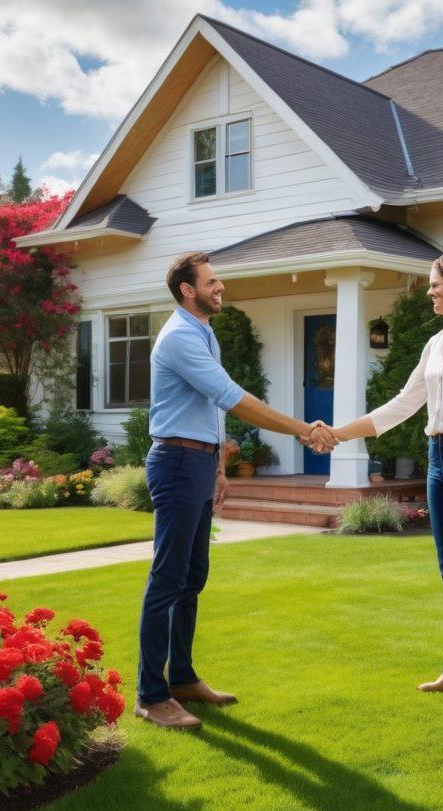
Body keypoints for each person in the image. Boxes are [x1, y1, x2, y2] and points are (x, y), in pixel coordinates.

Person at [136, 251, 335, 730]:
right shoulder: (181, 336)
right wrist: (301, 429)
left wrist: (219, 466)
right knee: (168, 579)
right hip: (178, 462)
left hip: (198, 461)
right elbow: (231, 397)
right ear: (188, 289)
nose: (220, 287)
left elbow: (210, 406)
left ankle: (181, 677)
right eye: (212, 281)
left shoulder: (204, 333)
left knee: (192, 576)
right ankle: (151, 693)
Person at [320, 253, 443, 711]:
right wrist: (339, 432)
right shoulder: (436, 343)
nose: (429, 291)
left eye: (434, 284)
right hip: (438, 458)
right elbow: (403, 404)